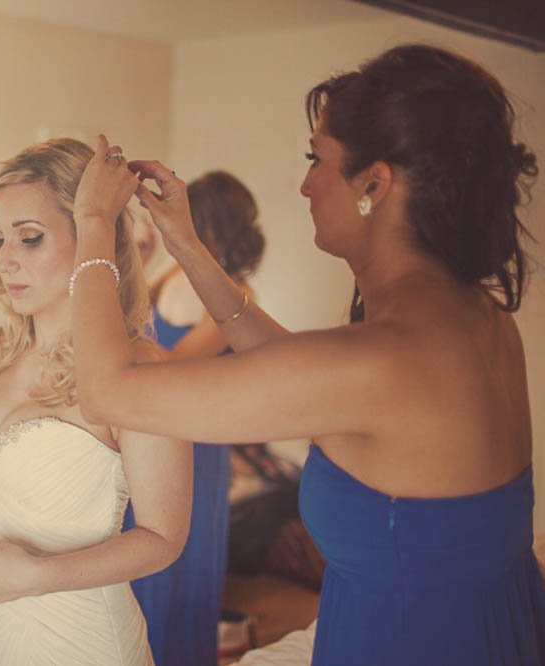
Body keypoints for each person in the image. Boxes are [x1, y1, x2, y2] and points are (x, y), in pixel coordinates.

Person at [70, 44, 543, 665]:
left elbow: (107, 391)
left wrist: (92, 223)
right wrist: (184, 242)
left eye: (316, 159)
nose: (304, 184)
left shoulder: (378, 359)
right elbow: (295, 364)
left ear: (374, 183)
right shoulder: (472, 317)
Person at [0, 138, 193, 665]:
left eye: (29, 239)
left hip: (85, 643)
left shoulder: (138, 369)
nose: (5, 260)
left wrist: (39, 575)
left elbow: (163, 537)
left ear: (91, 240)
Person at [124, 171, 264, 664]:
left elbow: (175, 369)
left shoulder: (235, 295)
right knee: (137, 564)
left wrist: (118, 366)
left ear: (208, 225)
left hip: (196, 450)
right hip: (144, 435)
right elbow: (128, 311)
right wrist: (136, 258)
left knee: (181, 564)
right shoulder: (166, 274)